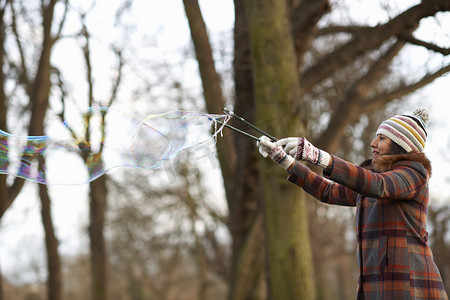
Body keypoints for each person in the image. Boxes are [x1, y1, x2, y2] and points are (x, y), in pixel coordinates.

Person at [257, 108, 448, 299]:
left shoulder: (414, 173)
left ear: (400, 145)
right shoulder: (374, 180)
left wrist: (320, 157)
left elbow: (379, 186)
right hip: (376, 284)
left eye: (382, 138)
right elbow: (328, 191)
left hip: (411, 285)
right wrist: (285, 161)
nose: (373, 143)